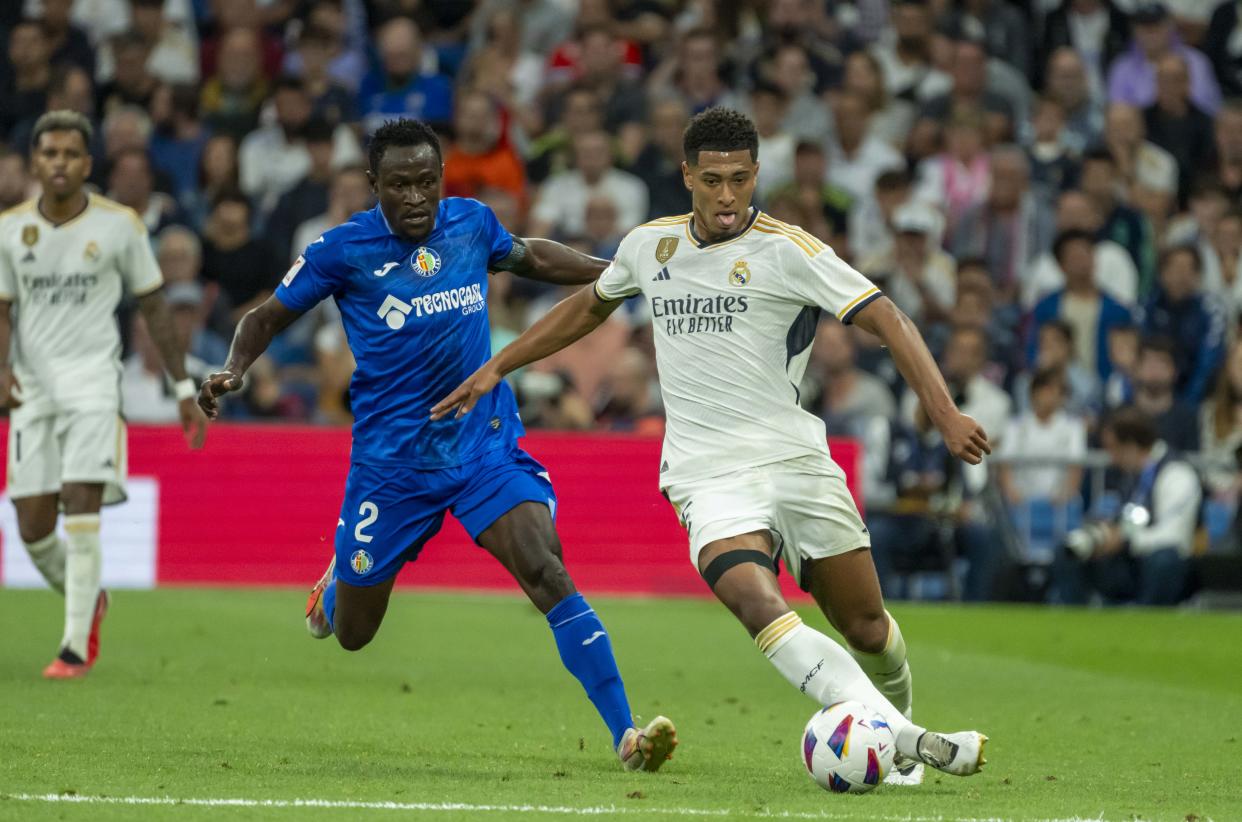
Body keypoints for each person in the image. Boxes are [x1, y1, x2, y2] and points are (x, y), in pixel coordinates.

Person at [434, 107, 989, 784]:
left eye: (740, 180)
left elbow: (888, 319)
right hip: (705, 474)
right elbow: (589, 306)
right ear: (688, 176)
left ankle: (895, 730)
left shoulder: (791, 250)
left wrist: (944, 411)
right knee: (757, 603)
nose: (727, 196)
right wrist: (500, 364)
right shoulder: (649, 248)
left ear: (755, 175)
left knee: (868, 626)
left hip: (795, 460)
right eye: (713, 180)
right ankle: (909, 741)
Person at [196, 118, 677, 773]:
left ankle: (626, 734)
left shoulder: (471, 223)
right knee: (355, 635)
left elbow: (531, 256)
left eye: (428, 181)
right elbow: (264, 317)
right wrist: (234, 367)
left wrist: (623, 275)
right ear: (373, 185)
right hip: (392, 466)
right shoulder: (342, 249)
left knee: (546, 568)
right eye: (400, 185)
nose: (417, 196)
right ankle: (338, 586)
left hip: (483, 446)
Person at [0, 111, 207, 679]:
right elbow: (1, 309)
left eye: (70, 154)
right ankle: (89, 595)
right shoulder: (10, 229)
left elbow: (155, 306)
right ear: (36, 163)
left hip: (93, 383)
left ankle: (72, 647)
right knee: (32, 526)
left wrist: (182, 386)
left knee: (82, 505)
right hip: (32, 391)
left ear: (87, 164)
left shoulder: (119, 226)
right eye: (49, 154)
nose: (59, 163)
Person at [1051, 406, 1199, 606]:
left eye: (1113, 449)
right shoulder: (1131, 475)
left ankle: (1150, 622)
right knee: (1070, 550)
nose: (1111, 458)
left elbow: (1174, 536)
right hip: (1130, 559)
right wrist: (1101, 536)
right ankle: (1075, 618)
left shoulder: (1177, 474)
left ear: (1130, 446)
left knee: (1164, 560)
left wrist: (1124, 539)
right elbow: (1132, 519)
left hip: (1164, 564)